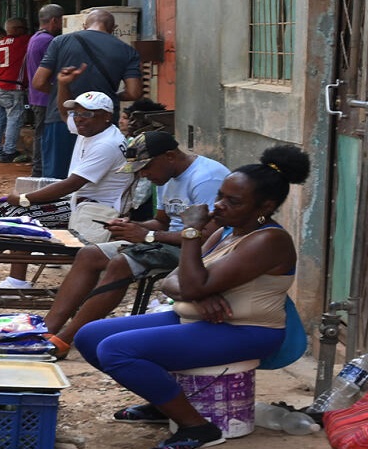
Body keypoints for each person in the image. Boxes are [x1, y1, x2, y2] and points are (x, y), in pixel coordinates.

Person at [74, 145, 310, 449]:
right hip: (198, 318)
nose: (219, 205)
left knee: (116, 350)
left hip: (246, 330)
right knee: (89, 336)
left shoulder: (268, 240)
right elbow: (172, 281)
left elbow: (190, 281)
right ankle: (164, 402)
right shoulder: (227, 231)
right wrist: (200, 290)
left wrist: (191, 236)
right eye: (221, 196)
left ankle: (197, 427)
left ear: (264, 206)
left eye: (233, 201)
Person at [41, 131, 230, 356]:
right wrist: (131, 227)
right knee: (89, 255)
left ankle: (65, 339)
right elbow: (161, 222)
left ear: (169, 156)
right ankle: (46, 330)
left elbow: (208, 236)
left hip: (202, 252)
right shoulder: (165, 176)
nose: (143, 175)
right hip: (171, 242)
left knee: (122, 262)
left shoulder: (206, 178)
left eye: (146, 168)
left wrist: (147, 236)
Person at [0, 76, 130, 291]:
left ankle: (16, 281)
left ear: (106, 116)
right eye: (76, 113)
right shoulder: (92, 128)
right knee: (7, 208)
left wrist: (23, 199)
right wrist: (63, 85)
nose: (78, 119)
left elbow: (71, 185)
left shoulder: (106, 143)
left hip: (96, 212)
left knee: (22, 215)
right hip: (81, 203)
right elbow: (62, 112)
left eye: (86, 113)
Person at [32, 9, 143, 179]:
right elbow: (134, 92)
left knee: (56, 178)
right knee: (95, 178)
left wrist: (62, 92)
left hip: (62, 119)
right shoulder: (127, 51)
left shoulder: (60, 42)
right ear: (113, 28)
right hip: (102, 121)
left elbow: (38, 82)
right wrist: (109, 98)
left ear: (84, 25)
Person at [25, 4, 64, 177]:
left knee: (40, 134)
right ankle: (40, 170)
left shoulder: (35, 38)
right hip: (46, 96)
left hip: (37, 95)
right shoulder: (49, 41)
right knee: (45, 135)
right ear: (54, 21)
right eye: (62, 21)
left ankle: (38, 169)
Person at [0, 17, 31, 163]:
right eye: (24, 28)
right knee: (14, 119)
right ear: (18, 29)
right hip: (11, 87)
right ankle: (8, 151)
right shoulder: (23, 41)